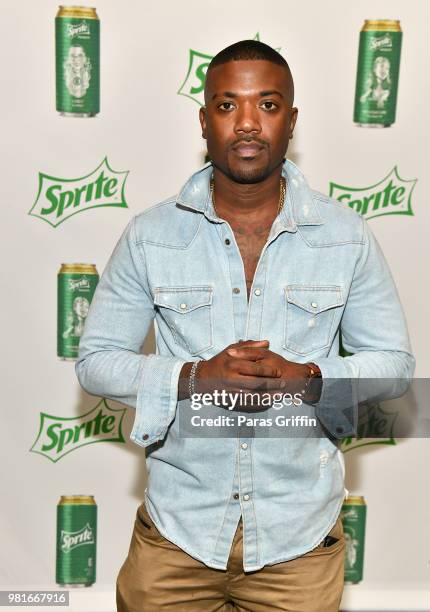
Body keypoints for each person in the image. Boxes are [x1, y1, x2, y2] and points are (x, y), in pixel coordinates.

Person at [75, 39, 414, 611]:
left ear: (292, 121)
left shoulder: (345, 236)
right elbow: (97, 361)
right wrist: (191, 377)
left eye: (269, 105)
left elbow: (396, 366)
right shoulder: (151, 235)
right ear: (204, 121)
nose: (249, 124)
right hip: (175, 538)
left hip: (298, 546)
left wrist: (307, 377)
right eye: (229, 106)